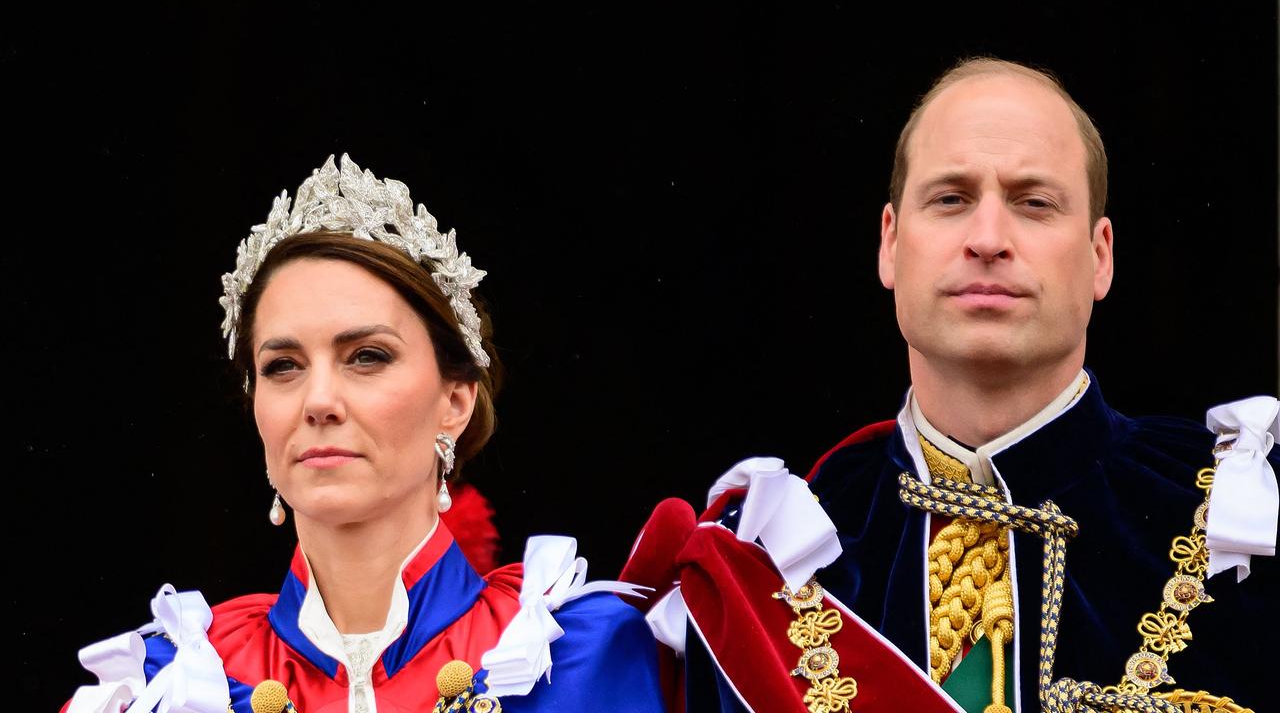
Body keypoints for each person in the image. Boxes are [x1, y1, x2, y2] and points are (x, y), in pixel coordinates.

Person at [621, 58, 1278, 713]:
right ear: (890, 243)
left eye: (1033, 202)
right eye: (951, 199)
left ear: (1100, 256)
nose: (988, 239)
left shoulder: (1250, 516)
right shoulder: (759, 561)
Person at [63, 154, 666, 713]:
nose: (319, 401)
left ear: (455, 401)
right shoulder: (173, 684)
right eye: (283, 367)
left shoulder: (568, 657)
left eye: (367, 356)